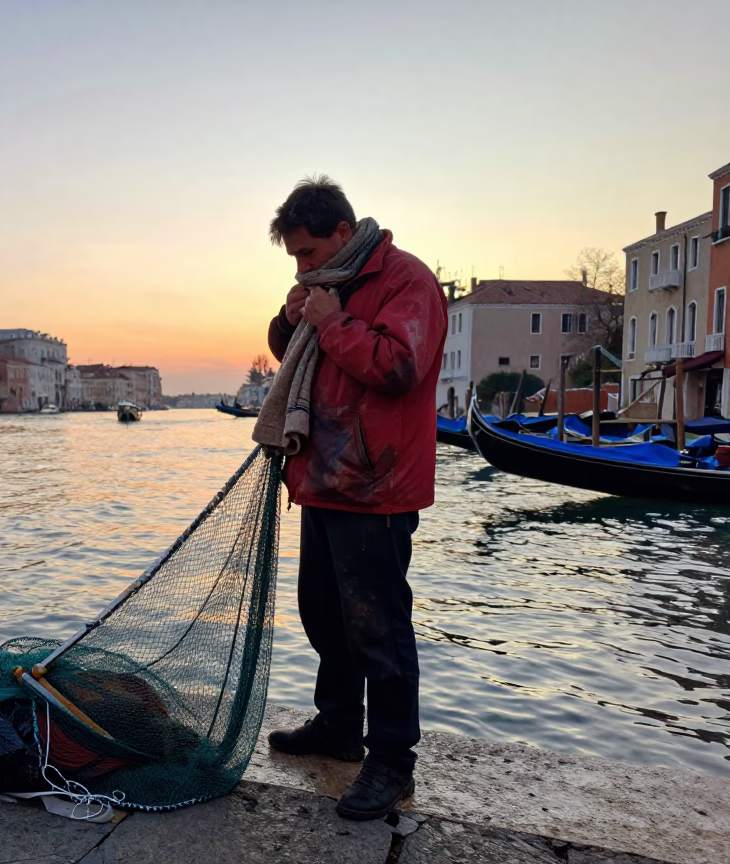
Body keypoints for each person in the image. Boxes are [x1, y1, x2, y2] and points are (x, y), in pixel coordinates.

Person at [264, 176, 446, 820]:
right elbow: (298, 358)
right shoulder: (330, 284)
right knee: (323, 611)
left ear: (342, 234)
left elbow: (400, 367)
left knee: (380, 628)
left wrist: (332, 319)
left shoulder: (407, 281)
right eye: (295, 259)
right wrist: (288, 321)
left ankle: (393, 760)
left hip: (378, 485)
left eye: (307, 254)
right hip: (324, 478)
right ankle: (339, 727)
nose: (302, 267)